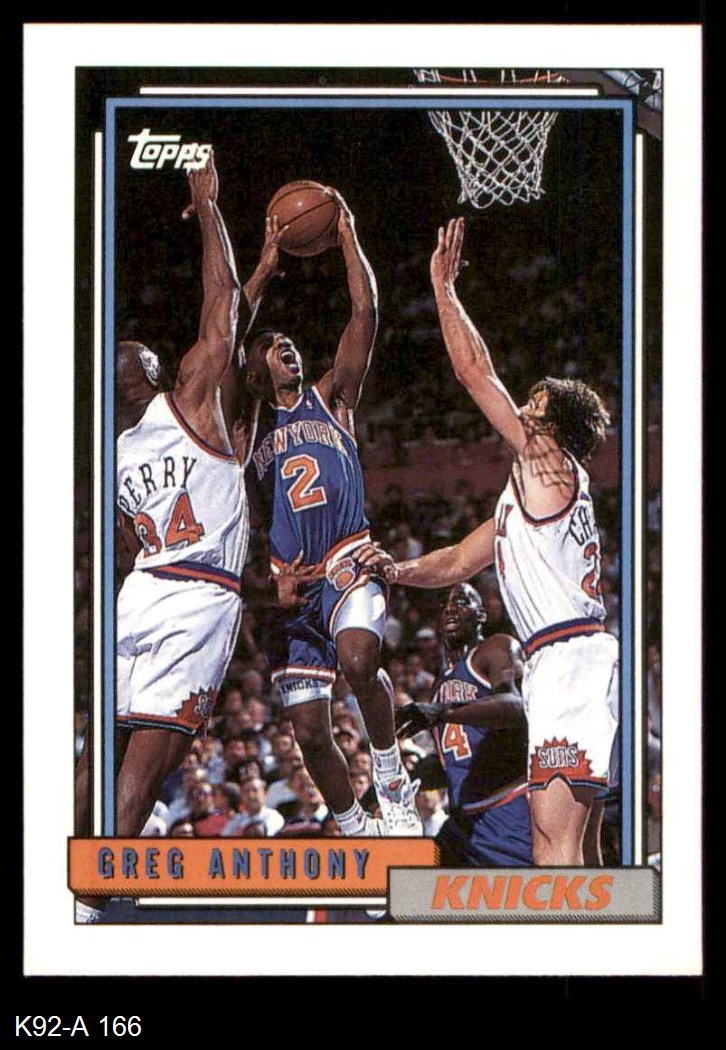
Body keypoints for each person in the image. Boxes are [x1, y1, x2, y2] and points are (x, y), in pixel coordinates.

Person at [357, 218, 618, 866]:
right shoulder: (525, 498)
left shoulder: (549, 463)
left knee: (553, 847)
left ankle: (559, 938)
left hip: (568, 659)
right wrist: (393, 570)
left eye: (534, 403)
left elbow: (474, 372)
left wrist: (444, 289)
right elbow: (454, 562)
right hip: (573, 661)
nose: (522, 408)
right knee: (580, 849)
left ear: (553, 424)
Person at [74, 153, 279, 922]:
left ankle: (70, 876)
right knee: (142, 757)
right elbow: (222, 308)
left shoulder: (121, 448)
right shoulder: (178, 409)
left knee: (108, 749)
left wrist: (253, 265)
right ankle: (96, 895)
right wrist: (212, 210)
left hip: (144, 591)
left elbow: (228, 313)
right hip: (192, 596)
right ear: (154, 373)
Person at [241, 193, 421, 837]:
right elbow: (226, 334)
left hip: (347, 558)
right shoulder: (244, 430)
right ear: (252, 369)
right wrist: (262, 266)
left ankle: (391, 774)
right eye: (273, 346)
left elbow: (364, 312)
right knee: (310, 733)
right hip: (290, 586)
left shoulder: (331, 398)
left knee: (359, 661)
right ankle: (355, 826)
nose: (286, 347)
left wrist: (346, 235)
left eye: (289, 343)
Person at [396, 583, 532, 866]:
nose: (450, 608)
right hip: (463, 821)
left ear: (481, 614)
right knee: (408, 883)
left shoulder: (496, 647)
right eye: (444, 604)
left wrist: (441, 711)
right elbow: (458, 759)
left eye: (461, 601)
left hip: (504, 805)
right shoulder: (441, 683)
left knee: (519, 891)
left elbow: (515, 707)